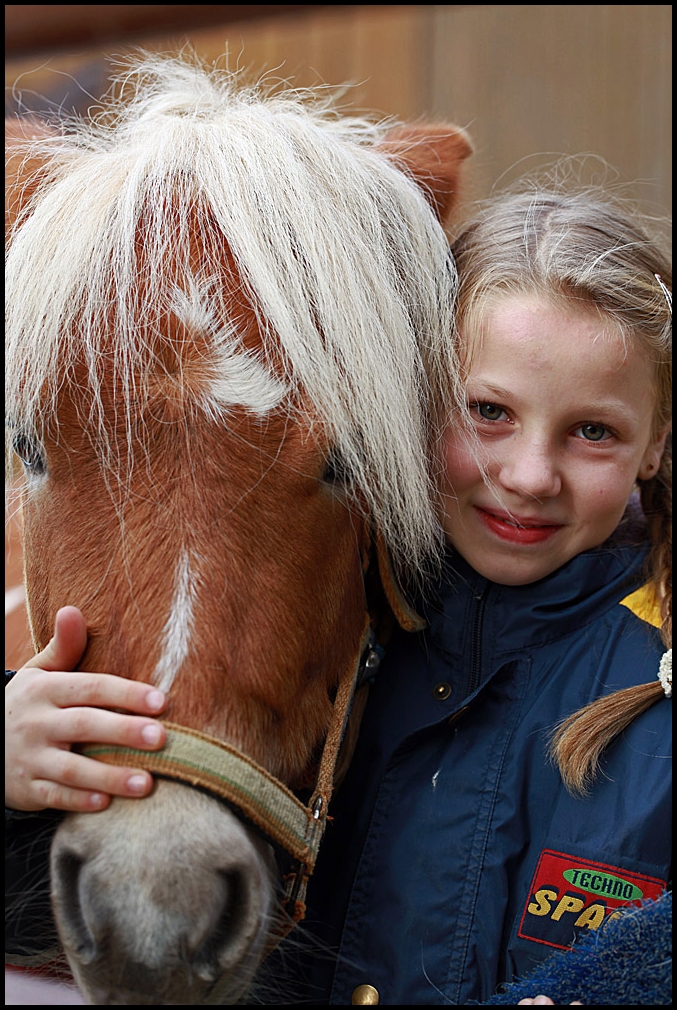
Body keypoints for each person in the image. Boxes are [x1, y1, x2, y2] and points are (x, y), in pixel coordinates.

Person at [5, 182, 672, 1005]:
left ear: (656, 443)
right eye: (486, 412)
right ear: (417, 403)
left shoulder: (655, 670)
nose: (530, 477)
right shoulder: (329, 624)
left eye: (592, 431)